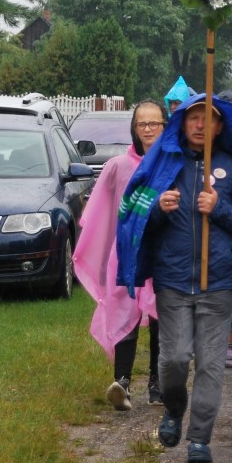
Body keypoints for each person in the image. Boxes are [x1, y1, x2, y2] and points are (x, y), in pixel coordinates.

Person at [116, 94, 232, 463]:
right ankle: (173, 409)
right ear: (182, 123)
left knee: (211, 364)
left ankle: (199, 437)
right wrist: (157, 209)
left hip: (218, 281)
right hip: (173, 280)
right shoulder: (164, 163)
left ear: (219, 126)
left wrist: (220, 208)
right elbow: (134, 215)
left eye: (208, 118)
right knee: (175, 359)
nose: (200, 125)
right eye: (193, 117)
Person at [74, 100, 167, 411]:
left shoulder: (172, 164)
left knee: (159, 313)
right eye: (142, 124)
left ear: (165, 126)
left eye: (155, 123)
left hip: (161, 252)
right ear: (134, 128)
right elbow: (99, 211)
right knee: (123, 311)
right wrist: (100, 251)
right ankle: (122, 382)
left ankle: (157, 383)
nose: (149, 129)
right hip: (126, 251)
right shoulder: (117, 166)